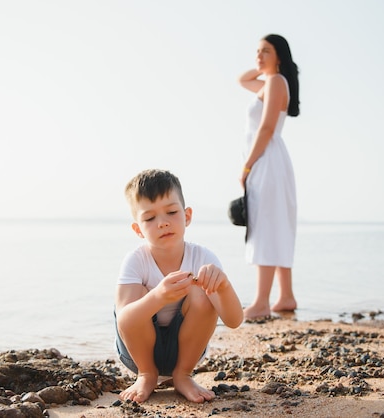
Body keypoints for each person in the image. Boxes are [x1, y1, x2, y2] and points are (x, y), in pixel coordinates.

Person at [115, 169, 243, 403]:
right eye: (150, 218)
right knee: (135, 300)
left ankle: (183, 375)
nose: (162, 223)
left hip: (187, 352)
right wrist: (158, 297)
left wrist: (223, 286)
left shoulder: (203, 257)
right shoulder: (136, 261)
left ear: (187, 216)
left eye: (171, 212)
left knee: (204, 292)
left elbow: (234, 321)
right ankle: (147, 375)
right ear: (138, 229)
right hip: (138, 353)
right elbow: (124, 320)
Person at [238, 34, 300, 320]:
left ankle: (261, 302)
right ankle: (285, 296)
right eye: (257, 51)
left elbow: (265, 129)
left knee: (265, 227)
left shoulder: (275, 82)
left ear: (280, 56)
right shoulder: (271, 82)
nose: (258, 56)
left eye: (266, 51)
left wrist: (247, 166)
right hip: (273, 162)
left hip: (266, 161)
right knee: (276, 226)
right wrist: (265, 66)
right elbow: (242, 79)